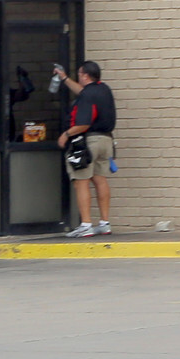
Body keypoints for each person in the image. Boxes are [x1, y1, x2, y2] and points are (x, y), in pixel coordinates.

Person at [55, 60, 117, 237]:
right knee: (100, 179)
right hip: (106, 141)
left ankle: (86, 224)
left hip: (88, 142)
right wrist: (65, 78)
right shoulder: (103, 90)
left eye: (80, 74)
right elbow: (83, 92)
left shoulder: (87, 97)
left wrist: (65, 135)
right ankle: (104, 223)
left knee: (81, 181)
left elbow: (83, 124)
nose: (79, 76)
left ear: (84, 75)